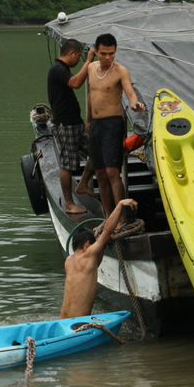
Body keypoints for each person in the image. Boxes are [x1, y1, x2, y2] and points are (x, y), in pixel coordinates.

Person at [86, 33, 145, 216]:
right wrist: (88, 121)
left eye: (111, 54)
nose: (108, 58)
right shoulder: (91, 68)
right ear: (96, 52)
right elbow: (90, 96)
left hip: (112, 124)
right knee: (100, 173)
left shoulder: (121, 71)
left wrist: (135, 104)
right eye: (104, 54)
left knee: (112, 171)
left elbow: (130, 91)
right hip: (95, 124)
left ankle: (120, 217)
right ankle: (108, 214)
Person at [60, 198, 137, 318]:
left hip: (63, 320)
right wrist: (120, 205)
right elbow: (108, 230)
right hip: (78, 325)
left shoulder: (68, 261)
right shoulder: (88, 255)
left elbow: (94, 265)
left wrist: (100, 240)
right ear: (87, 245)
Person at [47, 38, 96, 214]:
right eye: (79, 57)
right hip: (65, 124)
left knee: (96, 151)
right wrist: (89, 62)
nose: (79, 61)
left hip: (75, 123)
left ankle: (83, 184)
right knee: (67, 164)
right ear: (72, 53)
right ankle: (69, 203)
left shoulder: (63, 69)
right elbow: (76, 83)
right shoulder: (58, 69)